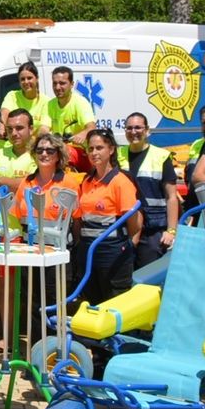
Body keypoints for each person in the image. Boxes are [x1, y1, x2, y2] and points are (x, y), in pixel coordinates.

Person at [72, 128, 142, 308]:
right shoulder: (86, 182)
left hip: (113, 254)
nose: (94, 153)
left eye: (99, 148)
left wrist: (128, 246)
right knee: (92, 304)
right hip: (89, 253)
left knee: (115, 305)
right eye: (91, 149)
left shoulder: (121, 181)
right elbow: (80, 220)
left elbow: (133, 222)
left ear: (111, 150)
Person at [117, 112, 180, 268]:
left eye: (138, 127)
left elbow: (171, 197)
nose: (133, 132)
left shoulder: (161, 156)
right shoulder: (118, 156)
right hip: (126, 227)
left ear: (147, 130)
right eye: (129, 128)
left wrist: (171, 231)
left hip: (154, 229)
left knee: (148, 277)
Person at [0, 109, 37, 196]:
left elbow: (33, 186)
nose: (14, 133)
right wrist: (18, 183)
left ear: (31, 129)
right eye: (10, 129)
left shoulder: (40, 157)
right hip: (0, 210)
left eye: (19, 128)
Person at [45, 66, 96, 151]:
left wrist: (82, 135)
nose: (57, 87)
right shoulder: (50, 104)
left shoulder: (80, 102)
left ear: (72, 84)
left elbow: (91, 127)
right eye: (55, 83)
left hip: (79, 152)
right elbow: (44, 128)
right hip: (59, 150)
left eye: (62, 83)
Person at [0, 62, 52, 133]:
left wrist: (30, 143)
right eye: (22, 79)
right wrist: (1, 128)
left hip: (34, 143)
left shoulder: (46, 102)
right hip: (9, 142)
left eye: (29, 78)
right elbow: (4, 113)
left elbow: (44, 129)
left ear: (37, 78)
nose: (26, 82)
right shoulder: (12, 96)